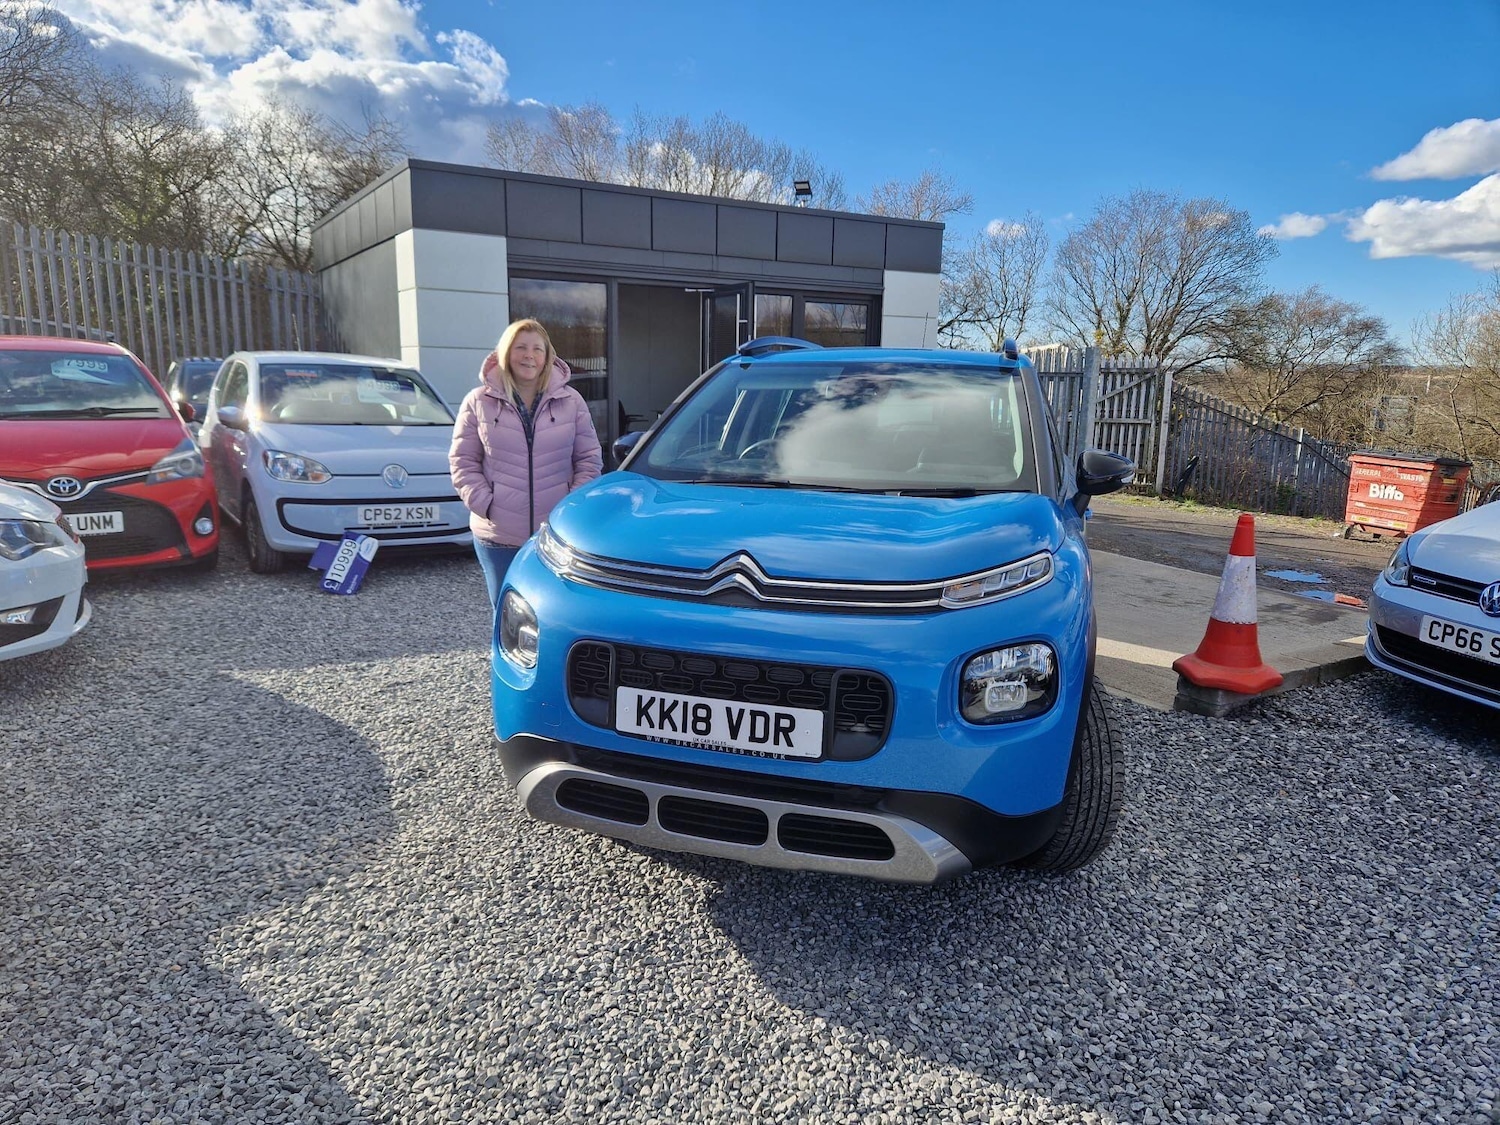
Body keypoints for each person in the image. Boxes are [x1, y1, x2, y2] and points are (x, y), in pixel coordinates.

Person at [449, 318, 602, 608]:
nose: (529, 355)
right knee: (506, 611)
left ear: (547, 356)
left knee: (552, 611)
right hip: (497, 535)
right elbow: (463, 461)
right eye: (520, 347)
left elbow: (589, 459)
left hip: (554, 534)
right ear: (506, 353)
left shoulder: (571, 402)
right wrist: (487, 504)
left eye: (537, 348)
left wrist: (568, 508)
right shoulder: (478, 402)